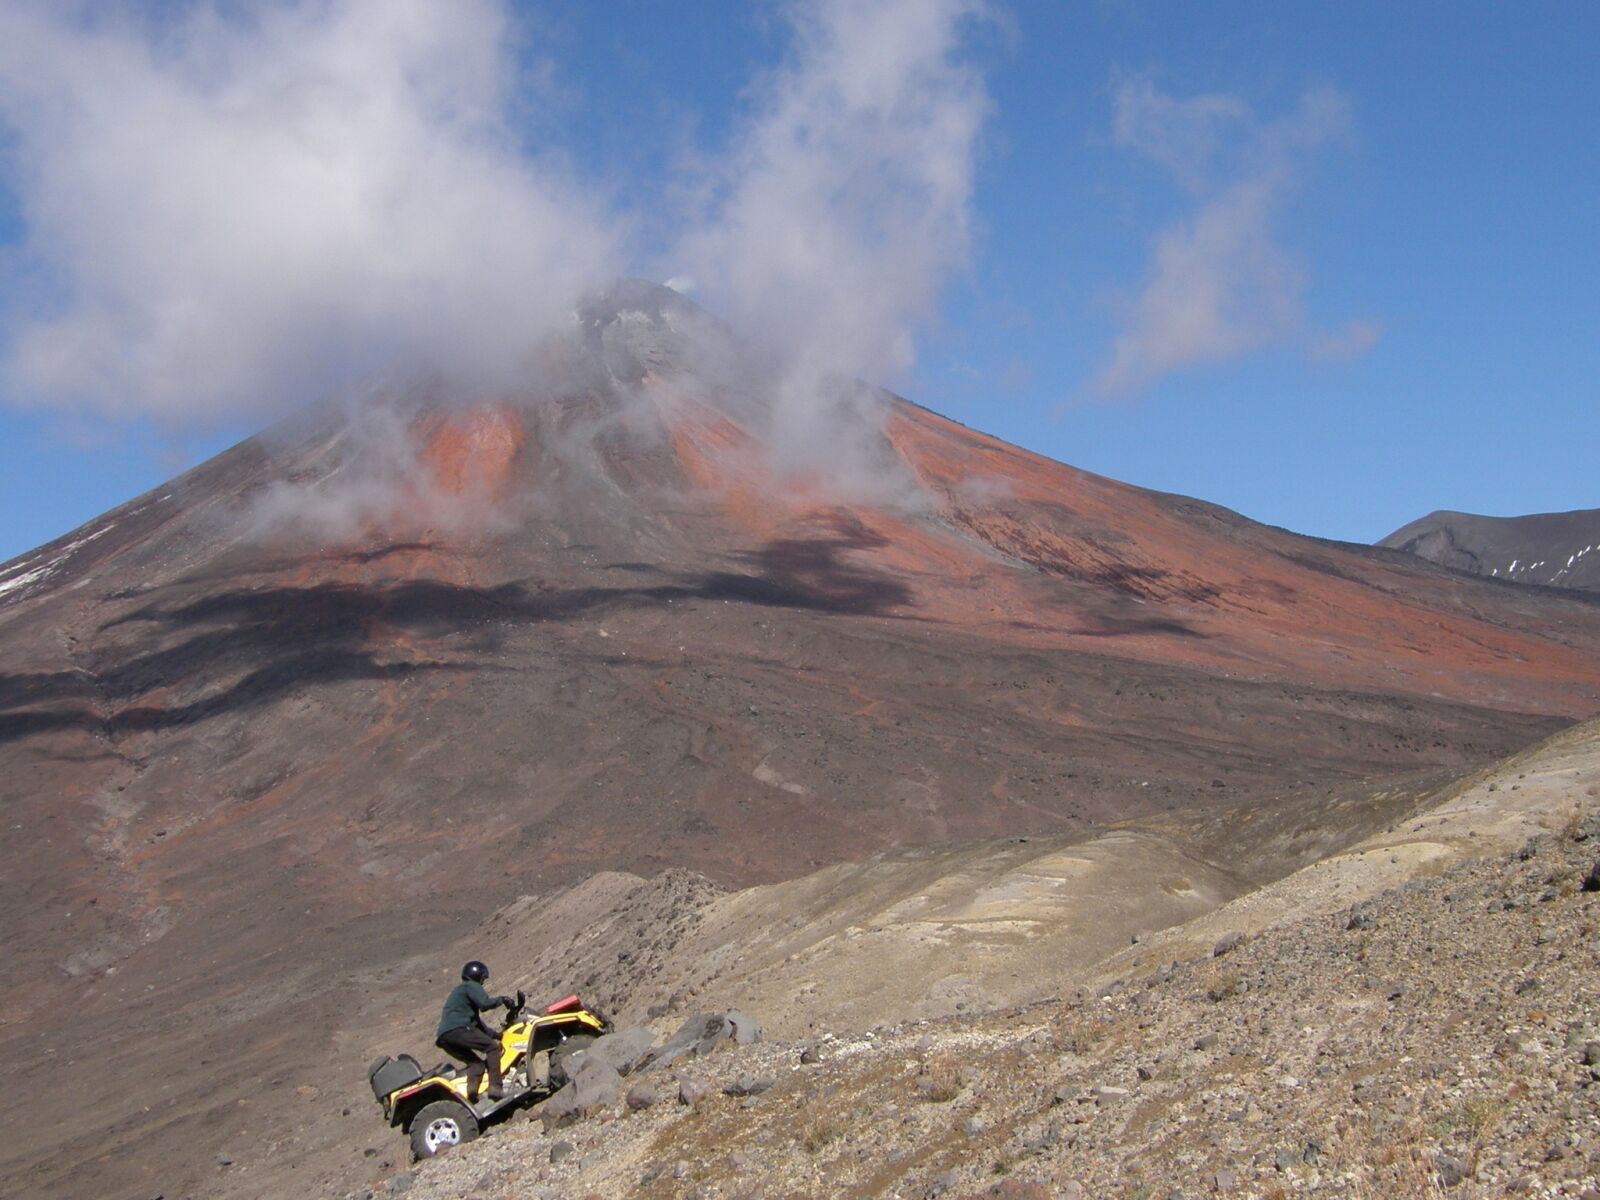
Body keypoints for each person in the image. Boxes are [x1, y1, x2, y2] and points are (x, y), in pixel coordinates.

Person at [435, 961, 516, 1100]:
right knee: (492, 1048)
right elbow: (484, 1004)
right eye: (483, 978)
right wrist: (502, 1000)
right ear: (478, 976)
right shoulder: (470, 985)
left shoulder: (460, 993)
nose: (483, 982)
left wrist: (498, 1035)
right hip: (459, 1029)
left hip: (444, 1037)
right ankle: (496, 1087)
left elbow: (478, 1025)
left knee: (475, 1063)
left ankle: (472, 1093)